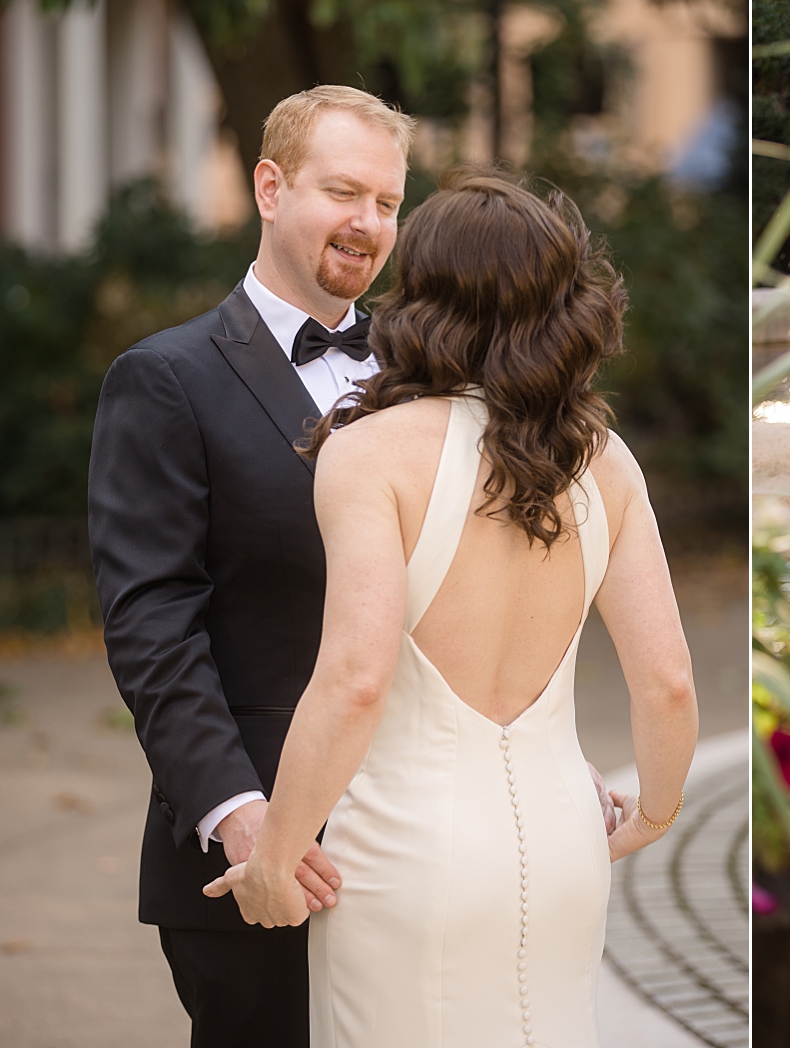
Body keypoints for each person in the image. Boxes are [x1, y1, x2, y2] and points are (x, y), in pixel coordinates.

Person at [88, 85, 616, 1046]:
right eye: (344, 192)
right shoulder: (164, 380)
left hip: (428, 847)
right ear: (269, 186)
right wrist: (243, 814)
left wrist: (538, 752)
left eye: (387, 201)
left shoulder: (438, 375)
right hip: (270, 858)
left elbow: (478, 585)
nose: (368, 224)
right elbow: (151, 624)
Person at [204, 168, 700, 1048]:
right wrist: (654, 815)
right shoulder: (607, 459)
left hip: (406, 859)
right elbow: (665, 683)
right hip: (564, 848)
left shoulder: (371, 453)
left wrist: (274, 858)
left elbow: (356, 680)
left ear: (424, 294)